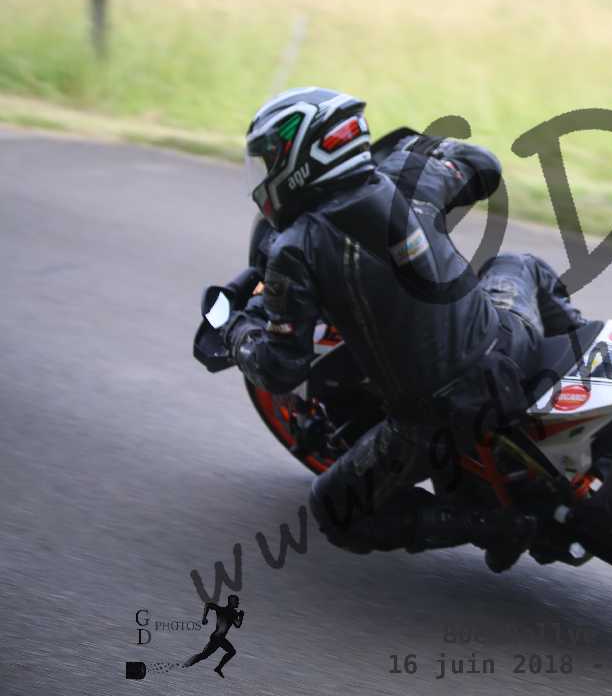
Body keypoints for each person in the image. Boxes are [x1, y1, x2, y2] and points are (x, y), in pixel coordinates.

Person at [221, 87, 585, 572]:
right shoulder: (409, 182)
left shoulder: (295, 248)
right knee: (520, 265)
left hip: (433, 417)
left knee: (333, 511)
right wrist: (421, 153)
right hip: (506, 345)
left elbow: (280, 368)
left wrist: (236, 330)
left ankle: (491, 525)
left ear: (300, 162)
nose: (262, 179)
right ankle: (587, 353)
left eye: (268, 164)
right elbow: (484, 165)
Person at [184, 595, 243, 678]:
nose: (238, 603)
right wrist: (241, 616)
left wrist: (204, 617)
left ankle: (188, 664)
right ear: (232, 602)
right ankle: (188, 664)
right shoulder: (232, 613)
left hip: (217, 637)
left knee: (205, 655)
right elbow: (238, 624)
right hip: (219, 638)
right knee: (207, 654)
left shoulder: (221, 609)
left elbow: (208, 604)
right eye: (236, 601)